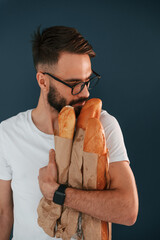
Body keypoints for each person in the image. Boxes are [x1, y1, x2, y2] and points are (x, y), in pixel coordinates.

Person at [0, 26, 139, 240]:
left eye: (87, 81)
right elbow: (3, 214)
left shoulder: (103, 126)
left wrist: (58, 193)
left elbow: (128, 211)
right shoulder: (7, 134)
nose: (85, 93)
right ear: (43, 81)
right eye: (74, 84)